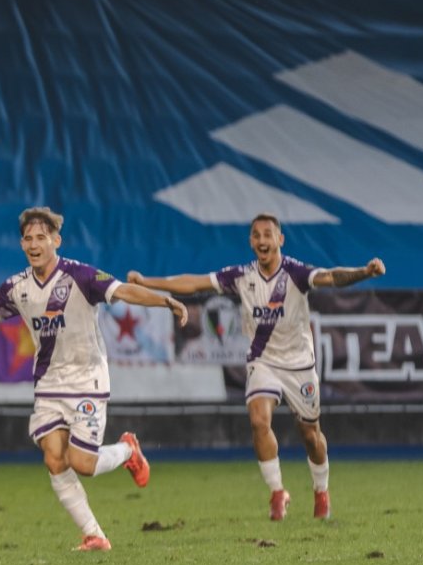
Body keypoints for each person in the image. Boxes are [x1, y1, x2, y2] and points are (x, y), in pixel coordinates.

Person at [0, 207, 187, 552]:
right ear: (22, 243)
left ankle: (127, 450)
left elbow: (123, 291)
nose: (34, 244)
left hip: (87, 379)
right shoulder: (17, 287)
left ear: (55, 240)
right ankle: (94, 534)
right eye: (28, 238)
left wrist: (164, 301)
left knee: (83, 464)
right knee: (53, 458)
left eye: (41, 238)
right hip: (49, 384)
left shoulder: (80, 276)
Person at [126, 213, 385, 521]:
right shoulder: (241, 275)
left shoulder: (296, 274)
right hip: (263, 362)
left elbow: (330, 277)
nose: (262, 241)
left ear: (280, 240)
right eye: (256, 235)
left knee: (311, 435)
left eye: (268, 235)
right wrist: (147, 282)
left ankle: (321, 490)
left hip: (300, 365)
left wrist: (364, 272)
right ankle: (277, 492)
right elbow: (194, 283)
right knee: (259, 422)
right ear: (251, 241)